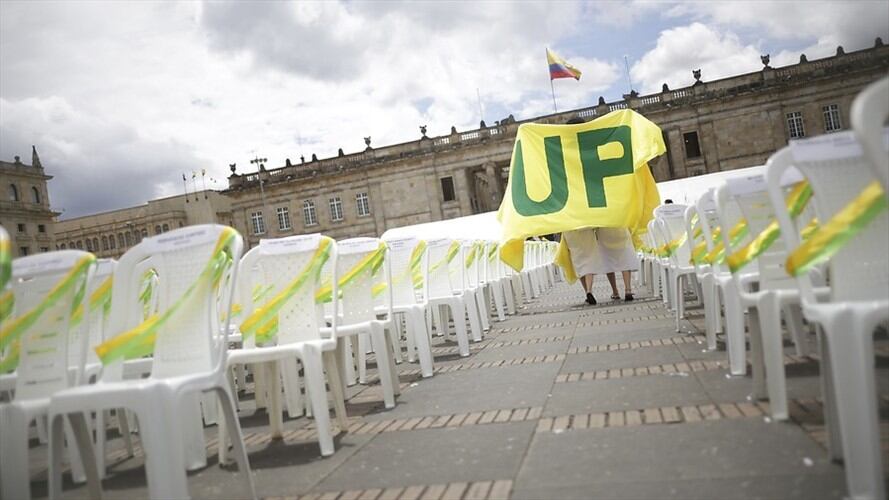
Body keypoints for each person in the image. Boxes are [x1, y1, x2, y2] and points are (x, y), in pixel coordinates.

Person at [562, 227, 637, 305]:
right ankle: (628, 290)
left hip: (572, 230)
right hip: (616, 225)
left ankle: (590, 291)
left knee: (581, 261)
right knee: (624, 258)